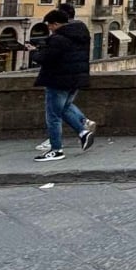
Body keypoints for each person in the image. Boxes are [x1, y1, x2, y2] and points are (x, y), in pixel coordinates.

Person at [28, 10, 95, 161]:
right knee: (64, 108)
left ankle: (56, 150)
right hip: (76, 80)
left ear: (56, 24)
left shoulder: (58, 39)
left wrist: (33, 53)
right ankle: (83, 132)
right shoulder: (81, 34)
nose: (49, 28)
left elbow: (46, 59)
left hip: (58, 80)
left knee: (53, 116)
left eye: (50, 25)